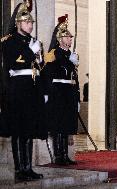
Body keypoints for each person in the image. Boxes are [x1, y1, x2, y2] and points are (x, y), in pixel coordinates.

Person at [1, 0, 46, 181]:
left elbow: (40, 68)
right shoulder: (8, 42)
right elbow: (13, 64)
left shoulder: (35, 42)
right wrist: (30, 52)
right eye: (27, 22)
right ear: (18, 23)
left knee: (29, 129)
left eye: (31, 23)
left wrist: (44, 91)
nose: (30, 25)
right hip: (17, 89)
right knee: (18, 130)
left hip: (33, 89)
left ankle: (28, 167)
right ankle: (19, 169)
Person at [43, 14, 80, 165]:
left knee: (66, 124)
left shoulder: (71, 55)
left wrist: (76, 96)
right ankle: (58, 155)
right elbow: (47, 75)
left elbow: (74, 77)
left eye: (71, 37)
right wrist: (47, 93)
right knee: (58, 125)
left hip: (68, 92)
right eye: (67, 37)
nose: (70, 39)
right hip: (58, 92)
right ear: (60, 39)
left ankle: (65, 154)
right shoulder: (55, 54)